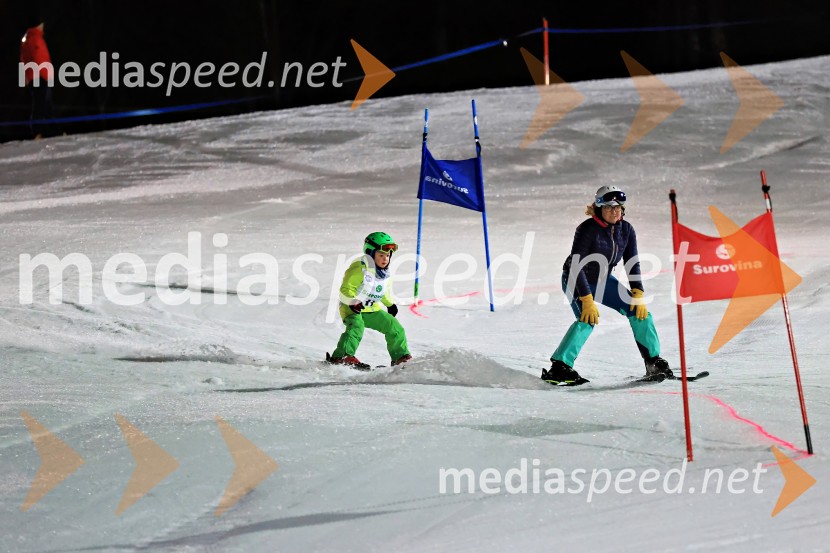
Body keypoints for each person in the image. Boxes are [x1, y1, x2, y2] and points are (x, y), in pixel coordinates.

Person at [543, 185, 672, 385]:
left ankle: (653, 362)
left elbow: (632, 262)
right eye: (609, 207)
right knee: (586, 320)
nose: (614, 211)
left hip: (603, 280)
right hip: (576, 279)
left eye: (618, 207)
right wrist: (586, 299)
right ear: (599, 208)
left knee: (640, 312)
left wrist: (637, 292)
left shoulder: (626, 229)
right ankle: (559, 367)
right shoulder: (586, 229)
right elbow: (577, 265)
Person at [326, 232, 412, 369]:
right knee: (356, 326)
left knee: (394, 326)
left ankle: (400, 357)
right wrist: (352, 301)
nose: (385, 259)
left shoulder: (384, 273)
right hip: (352, 308)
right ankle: (341, 356)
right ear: (370, 253)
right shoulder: (360, 268)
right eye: (381, 255)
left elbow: (380, 291)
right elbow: (346, 289)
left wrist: (389, 304)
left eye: (388, 255)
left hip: (371, 309)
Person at [20, 21, 54, 139]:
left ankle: (53, 130)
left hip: (32, 76)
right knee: (42, 103)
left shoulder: (27, 38)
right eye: (42, 25)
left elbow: (24, 60)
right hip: (39, 76)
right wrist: (47, 76)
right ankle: (38, 132)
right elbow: (39, 58)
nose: (43, 28)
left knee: (46, 104)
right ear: (38, 25)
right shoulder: (36, 38)